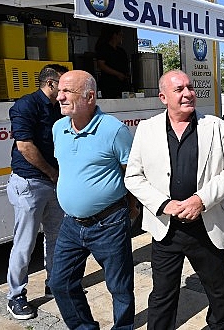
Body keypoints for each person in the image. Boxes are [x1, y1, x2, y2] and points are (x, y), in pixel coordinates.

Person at [124, 70, 224, 330]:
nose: (188, 93)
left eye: (190, 87)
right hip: (166, 228)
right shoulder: (147, 129)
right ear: (163, 97)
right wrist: (164, 204)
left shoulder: (216, 127)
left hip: (207, 226)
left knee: (218, 290)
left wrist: (201, 200)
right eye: (179, 89)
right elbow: (133, 177)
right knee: (162, 294)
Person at [50, 70, 138, 329]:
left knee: (119, 287)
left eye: (67, 91)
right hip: (70, 225)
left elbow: (131, 172)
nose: (60, 96)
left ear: (89, 97)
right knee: (60, 283)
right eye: (59, 90)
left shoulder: (113, 130)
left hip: (108, 223)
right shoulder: (58, 128)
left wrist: (131, 207)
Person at [5, 64, 69, 320]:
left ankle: (54, 283)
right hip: (30, 183)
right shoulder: (25, 105)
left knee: (56, 238)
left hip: (54, 182)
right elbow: (24, 146)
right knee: (25, 242)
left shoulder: (59, 109)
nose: (66, 91)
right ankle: (16, 295)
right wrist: (52, 173)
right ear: (51, 83)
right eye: (63, 85)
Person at [95, 24, 130, 98]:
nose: (122, 37)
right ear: (114, 35)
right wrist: (118, 74)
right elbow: (101, 65)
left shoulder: (121, 51)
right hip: (109, 85)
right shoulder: (104, 48)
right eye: (120, 35)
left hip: (122, 85)